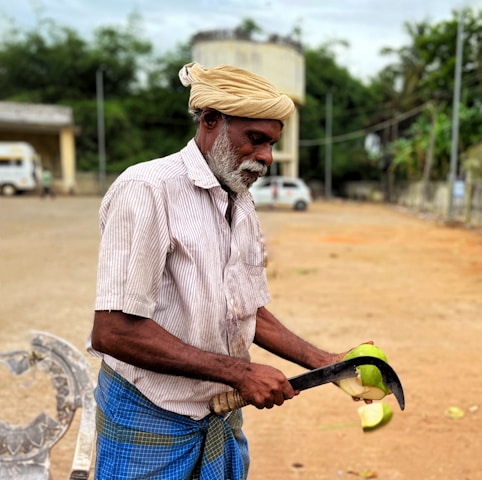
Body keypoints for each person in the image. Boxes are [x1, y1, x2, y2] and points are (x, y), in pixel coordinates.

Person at [88, 62, 367, 480]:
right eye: (255, 140)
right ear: (211, 121)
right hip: (149, 415)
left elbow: (245, 309)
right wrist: (241, 372)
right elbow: (114, 332)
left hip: (219, 414)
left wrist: (327, 362)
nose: (266, 157)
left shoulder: (239, 198)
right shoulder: (147, 189)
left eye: (272, 144)